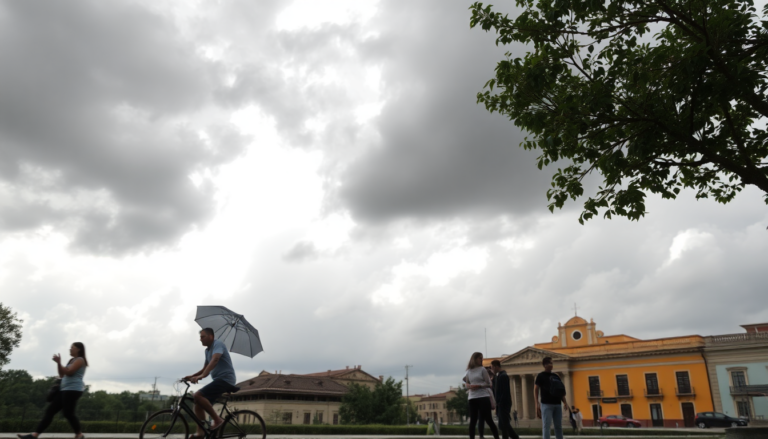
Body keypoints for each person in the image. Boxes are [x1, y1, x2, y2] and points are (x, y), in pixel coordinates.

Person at [18, 343, 88, 439]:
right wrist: (58, 363)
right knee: (50, 411)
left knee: (68, 413)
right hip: (64, 389)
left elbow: (69, 372)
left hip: (73, 390)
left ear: (79, 349)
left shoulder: (80, 360)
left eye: (72, 348)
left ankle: (79, 434)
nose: (70, 349)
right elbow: (62, 374)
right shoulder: (72, 360)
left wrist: (59, 363)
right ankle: (35, 434)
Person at [183, 328, 238, 439]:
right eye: (200, 337)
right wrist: (192, 376)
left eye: (202, 337)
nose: (200, 339)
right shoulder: (207, 351)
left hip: (226, 380)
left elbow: (215, 360)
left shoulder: (218, 344)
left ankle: (217, 420)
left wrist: (202, 376)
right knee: (198, 403)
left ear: (211, 336)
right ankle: (201, 433)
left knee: (197, 395)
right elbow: (205, 368)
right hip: (219, 380)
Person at [463, 352, 499, 439]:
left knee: (489, 420)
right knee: (473, 421)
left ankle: (497, 437)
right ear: (474, 359)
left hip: (483, 396)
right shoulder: (469, 371)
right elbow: (466, 382)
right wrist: (468, 386)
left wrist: (478, 386)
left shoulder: (483, 370)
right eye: (480, 358)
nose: (481, 360)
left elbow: (488, 384)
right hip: (472, 398)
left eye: (482, 358)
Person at [534, 357, 569, 439]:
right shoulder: (540, 376)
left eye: (552, 363)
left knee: (558, 426)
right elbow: (536, 389)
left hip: (557, 404)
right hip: (546, 404)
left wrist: (565, 402)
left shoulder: (556, 376)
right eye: (550, 363)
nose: (552, 365)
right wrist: (537, 403)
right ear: (545, 365)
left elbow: (561, 391)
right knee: (546, 426)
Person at [491, 360, 520, 439]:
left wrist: (500, 402)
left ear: (496, 366)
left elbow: (504, 391)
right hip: (501, 404)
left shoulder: (503, 376)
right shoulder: (499, 376)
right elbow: (496, 390)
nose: (492, 369)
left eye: (492, 367)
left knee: (505, 425)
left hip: (503, 404)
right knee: (502, 425)